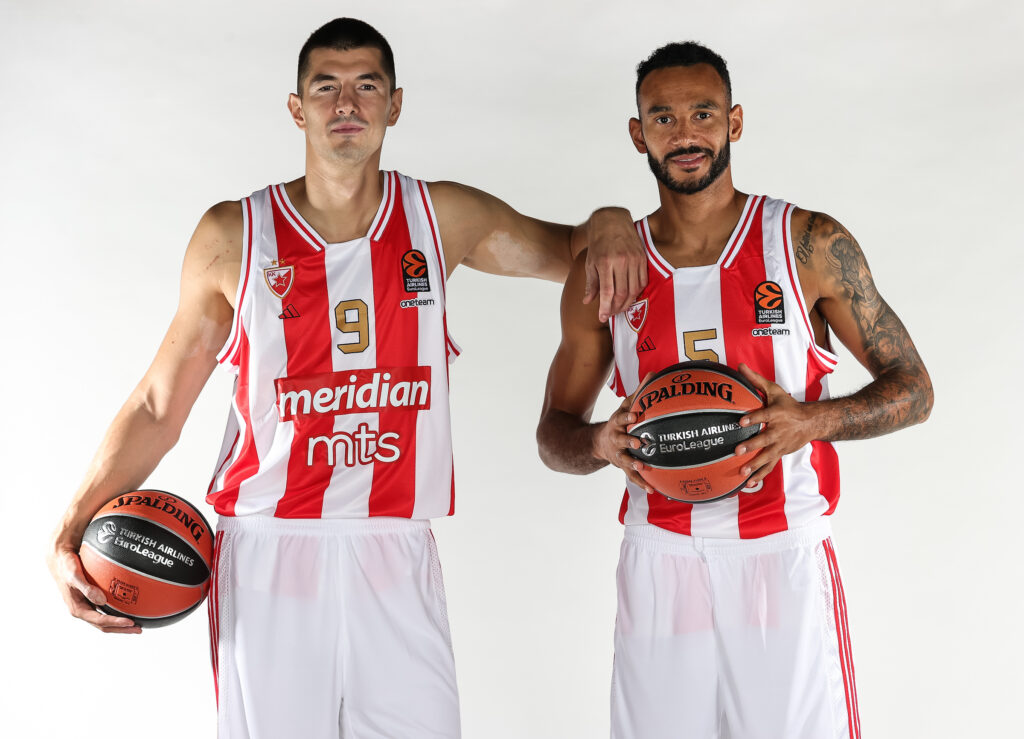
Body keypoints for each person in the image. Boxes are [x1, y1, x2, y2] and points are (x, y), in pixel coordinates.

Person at [46, 18, 647, 739]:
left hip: (392, 545)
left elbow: (578, 251)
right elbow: (157, 404)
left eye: (367, 86)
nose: (347, 105)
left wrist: (610, 217)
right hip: (268, 546)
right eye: (326, 88)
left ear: (395, 104)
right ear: (297, 109)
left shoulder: (442, 218)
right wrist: (71, 524)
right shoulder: (234, 237)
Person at [537, 41, 933, 739]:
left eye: (703, 113)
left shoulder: (805, 243)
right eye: (663, 118)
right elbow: (553, 435)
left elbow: (915, 389)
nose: (685, 133)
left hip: (780, 554)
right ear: (638, 134)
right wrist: (599, 441)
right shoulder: (607, 269)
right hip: (661, 560)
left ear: (735, 122)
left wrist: (809, 421)